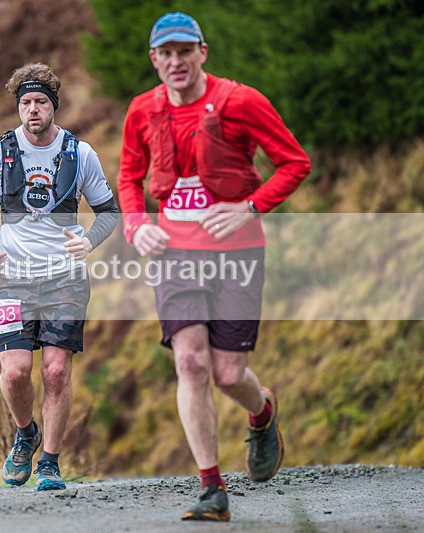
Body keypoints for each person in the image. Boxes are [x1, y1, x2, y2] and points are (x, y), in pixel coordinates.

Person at [116, 12, 311, 521]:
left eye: (185, 51)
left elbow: (295, 163)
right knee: (191, 362)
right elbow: (129, 178)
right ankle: (212, 489)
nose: (176, 62)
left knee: (227, 373)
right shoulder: (142, 110)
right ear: (154, 59)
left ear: (203, 51)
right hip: (174, 253)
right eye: (166, 53)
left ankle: (262, 411)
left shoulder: (241, 102)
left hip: (237, 251)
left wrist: (249, 207)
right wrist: (137, 226)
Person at [0, 63, 120, 491]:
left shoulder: (79, 152)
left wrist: (89, 242)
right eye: (26, 102)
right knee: (14, 373)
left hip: (64, 278)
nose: (33, 110)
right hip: (11, 275)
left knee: (55, 371)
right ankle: (25, 433)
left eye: (41, 102)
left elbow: (110, 212)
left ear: (54, 107)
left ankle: (49, 462)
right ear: (18, 107)